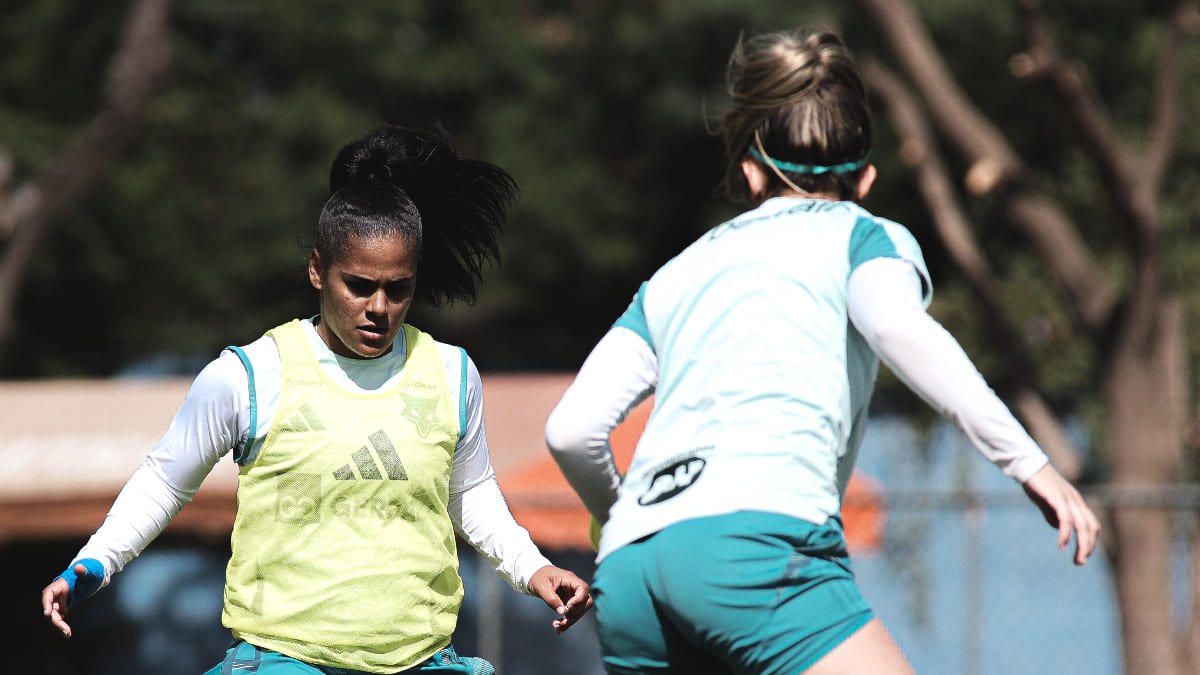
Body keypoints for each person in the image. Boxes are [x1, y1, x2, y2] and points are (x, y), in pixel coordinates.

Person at [545, 27, 1100, 675]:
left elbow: (570, 428)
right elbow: (901, 330)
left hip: (631, 574)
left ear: (751, 172)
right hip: (755, 548)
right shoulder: (864, 237)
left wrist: (627, 519)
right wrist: (1029, 462)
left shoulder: (675, 273)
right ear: (865, 178)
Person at [42, 124, 594, 675]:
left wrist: (533, 569)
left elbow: (470, 492)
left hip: (419, 660)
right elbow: (165, 481)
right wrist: (93, 563)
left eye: (398, 288)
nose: (379, 307)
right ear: (316, 269)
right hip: (286, 659)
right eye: (358, 285)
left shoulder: (451, 373)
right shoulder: (249, 376)